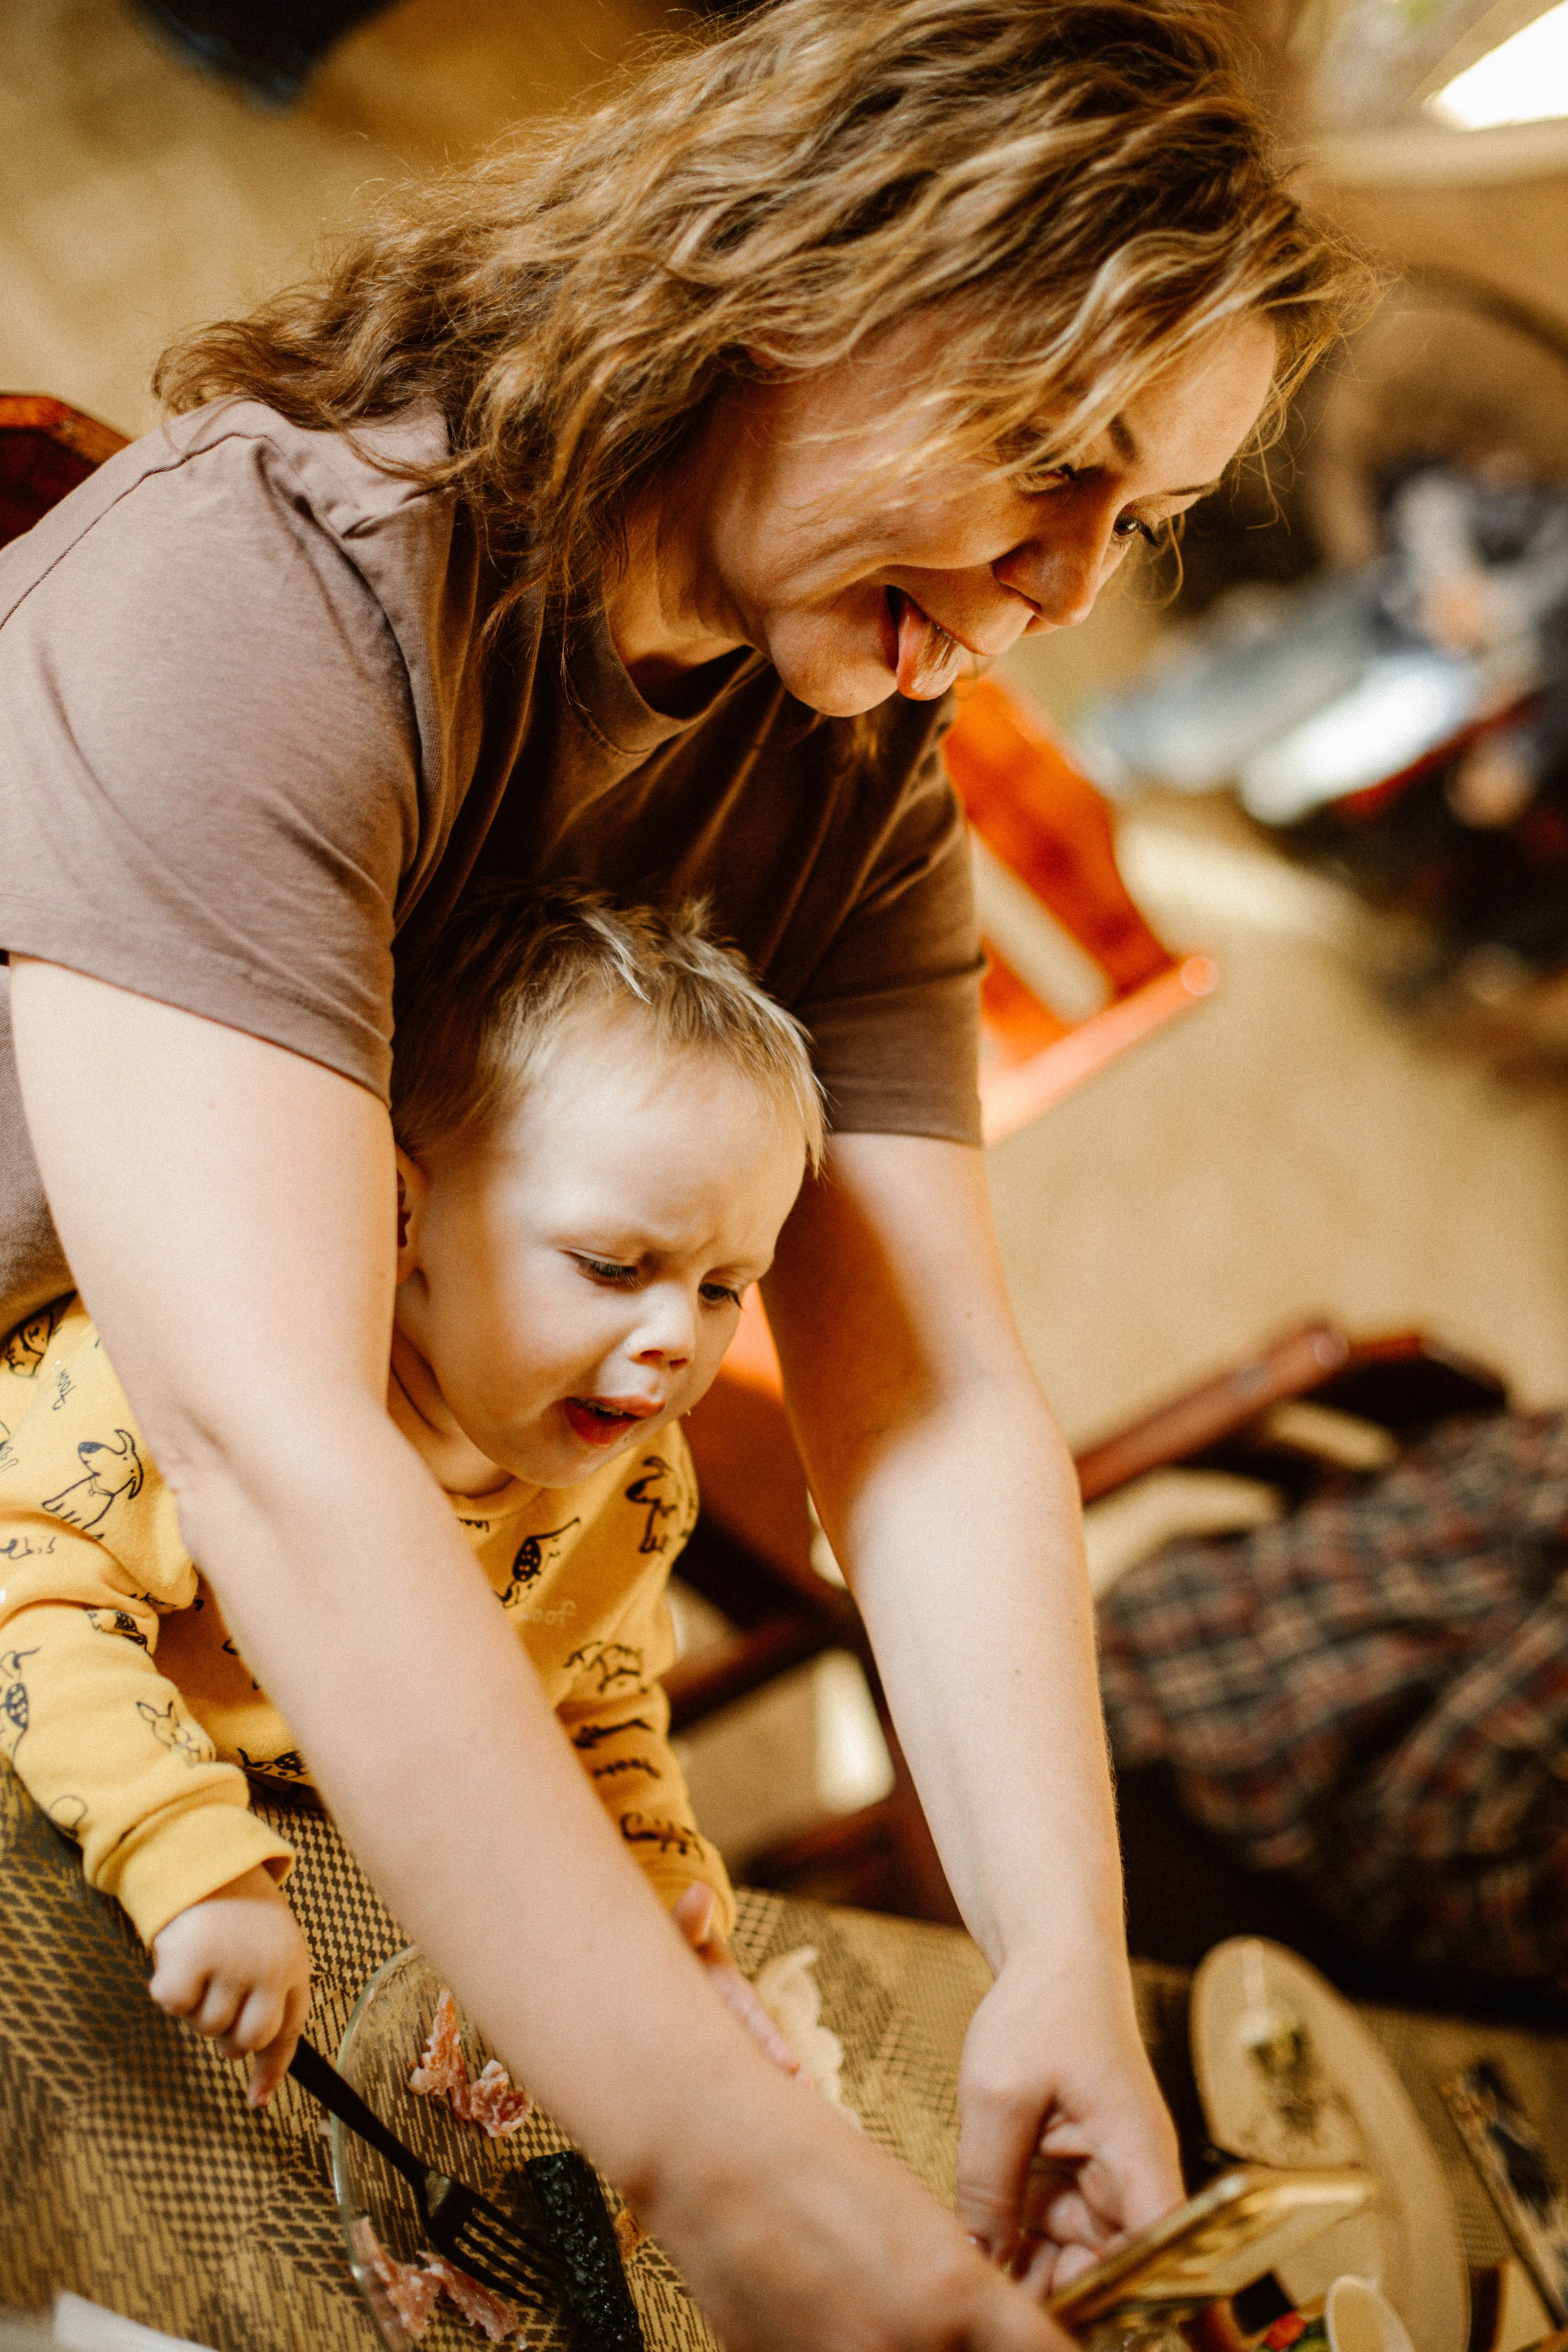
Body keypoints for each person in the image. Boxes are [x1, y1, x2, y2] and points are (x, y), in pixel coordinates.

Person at [0, 4, 1371, 2343]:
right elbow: (271, 1441)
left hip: (215, 1649)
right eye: (1048, 459)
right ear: (796, 278)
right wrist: (725, 2169)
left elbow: (926, 1415)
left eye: (1131, 520)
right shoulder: (275, 592)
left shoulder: (859, 783)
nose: (1067, 583)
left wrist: (1057, 1954)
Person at [0, 884, 818, 2103]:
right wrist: (193, 1857)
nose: (671, 1340)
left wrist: (664, 1912)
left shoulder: (636, 1484)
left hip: (290, 1873)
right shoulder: (180, 1360)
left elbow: (593, 1709)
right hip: (67, 1798)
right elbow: (33, 1606)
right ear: (397, 1208)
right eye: (613, 1266)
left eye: (719, 1288)